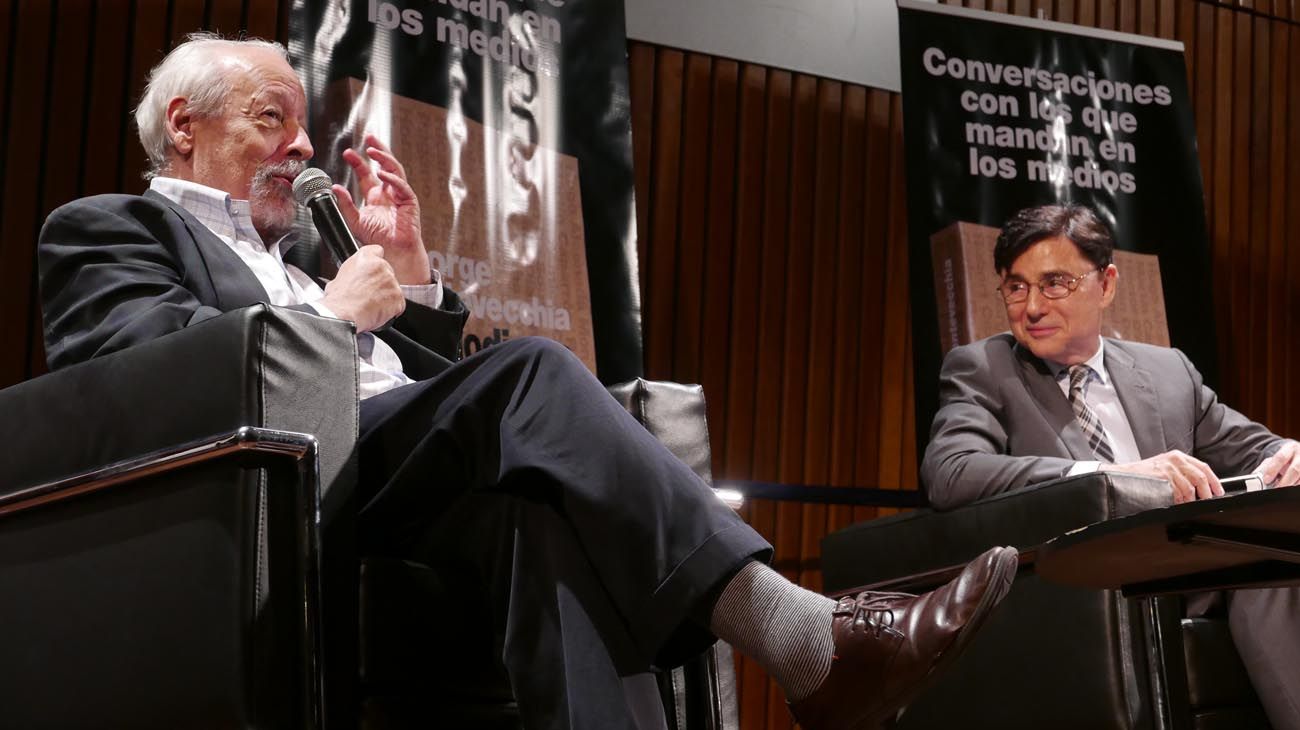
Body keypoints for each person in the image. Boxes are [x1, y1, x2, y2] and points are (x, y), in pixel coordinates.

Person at [38, 33, 1018, 730]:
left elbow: (410, 368)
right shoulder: (114, 228)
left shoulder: (298, 253)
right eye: (272, 118)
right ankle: (809, 641)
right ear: (183, 123)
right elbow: (133, 381)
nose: (302, 146)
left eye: (303, 125)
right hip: (286, 486)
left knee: (539, 512)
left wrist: (410, 269)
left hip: (393, 463)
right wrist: (327, 316)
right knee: (531, 372)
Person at [922, 203, 1300, 729]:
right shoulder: (983, 369)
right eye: (1015, 286)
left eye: (1054, 283)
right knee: (1268, 575)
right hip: (1087, 584)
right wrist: (1111, 476)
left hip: (1191, 572)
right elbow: (952, 471)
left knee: (1274, 558)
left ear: (1106, 285)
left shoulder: (1168, 372)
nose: (1031, 306)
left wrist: (1292, 454)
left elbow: (1257, 448)